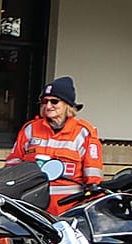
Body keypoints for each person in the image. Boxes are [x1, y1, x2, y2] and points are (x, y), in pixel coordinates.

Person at [9, 76, 100, 214]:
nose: (48, 106)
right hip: (31, 210)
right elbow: (11, 168)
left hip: (68, 211)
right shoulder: (30, 129)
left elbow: (94, 180)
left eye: (54, 101)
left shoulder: (84, 133)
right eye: (45, 101)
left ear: (67, 104)